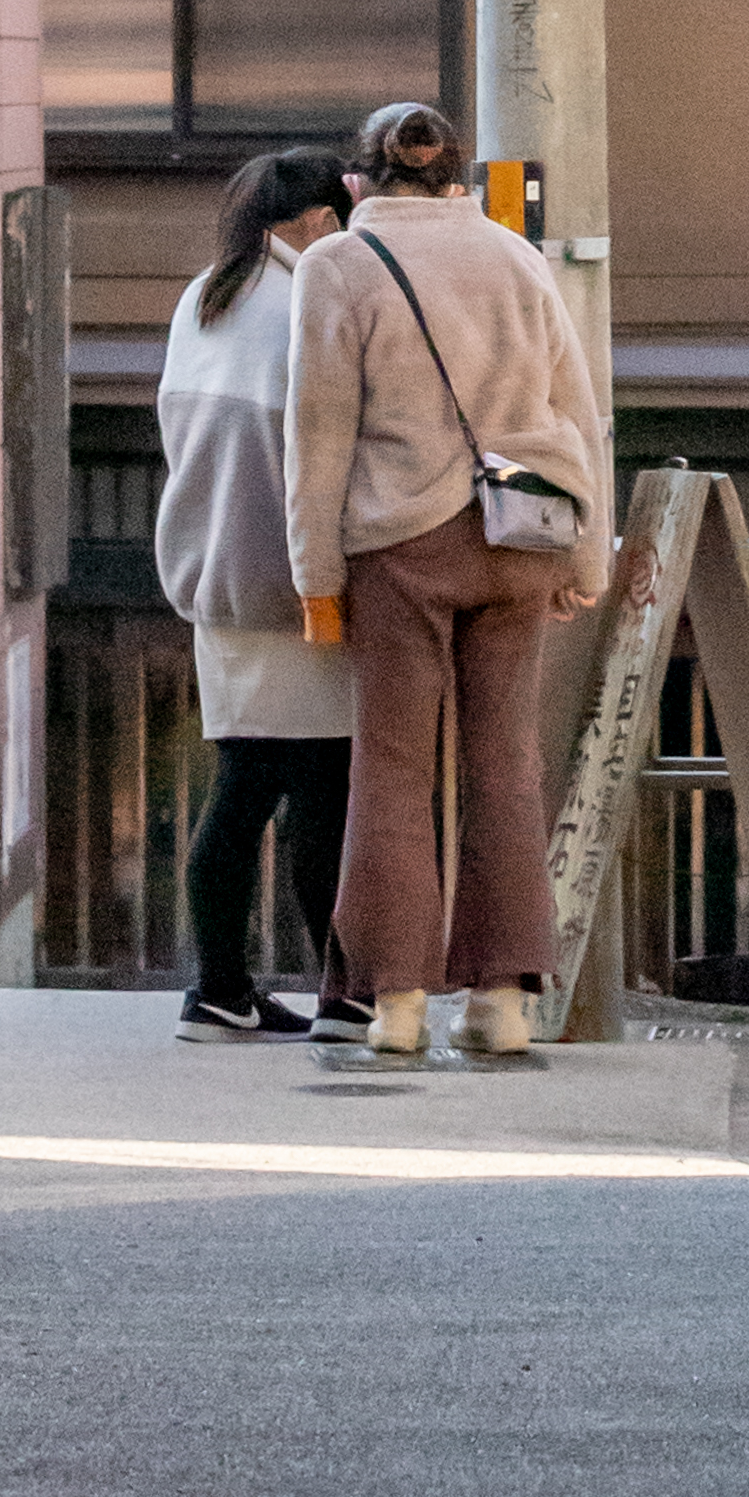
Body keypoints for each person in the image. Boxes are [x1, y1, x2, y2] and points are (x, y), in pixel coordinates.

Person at [286, 98, 613, 1079]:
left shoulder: (337, 264)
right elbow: (576, 405)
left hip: (403, 538)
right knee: (504, 761)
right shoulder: (515, 255)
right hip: (527, 534)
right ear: (456, 175)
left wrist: (317, 576)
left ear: (360, 180)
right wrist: (589, 555)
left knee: (392, 770)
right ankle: (504, 1003)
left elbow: (317, 431)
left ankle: (394, 1006)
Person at [154, 144, 360, 1038]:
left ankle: (220, 987)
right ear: (315, 221)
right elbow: (323, 454)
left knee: (239, 792)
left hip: (212, 580)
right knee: (325, 793)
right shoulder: (304, 302)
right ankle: (343, 995)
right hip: (293, 583)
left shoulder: (204, 299)